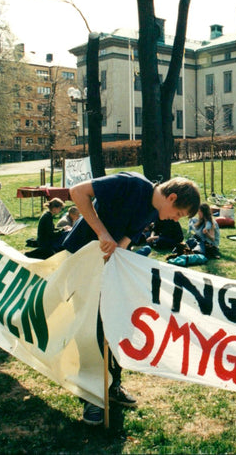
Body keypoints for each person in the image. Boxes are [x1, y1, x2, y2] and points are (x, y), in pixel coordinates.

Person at [63, 171, 200, 425]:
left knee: (116, 324)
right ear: (170, 197)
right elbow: (77, 192)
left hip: (107, 266)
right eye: (178, 214)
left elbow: (128, 237)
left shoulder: (153, 210)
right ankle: (92, 397)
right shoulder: (131, 184)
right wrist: (102, 234)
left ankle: (113, 384)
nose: (175, 220)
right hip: (81, 259)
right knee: (90, 328)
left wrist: (121, 245)